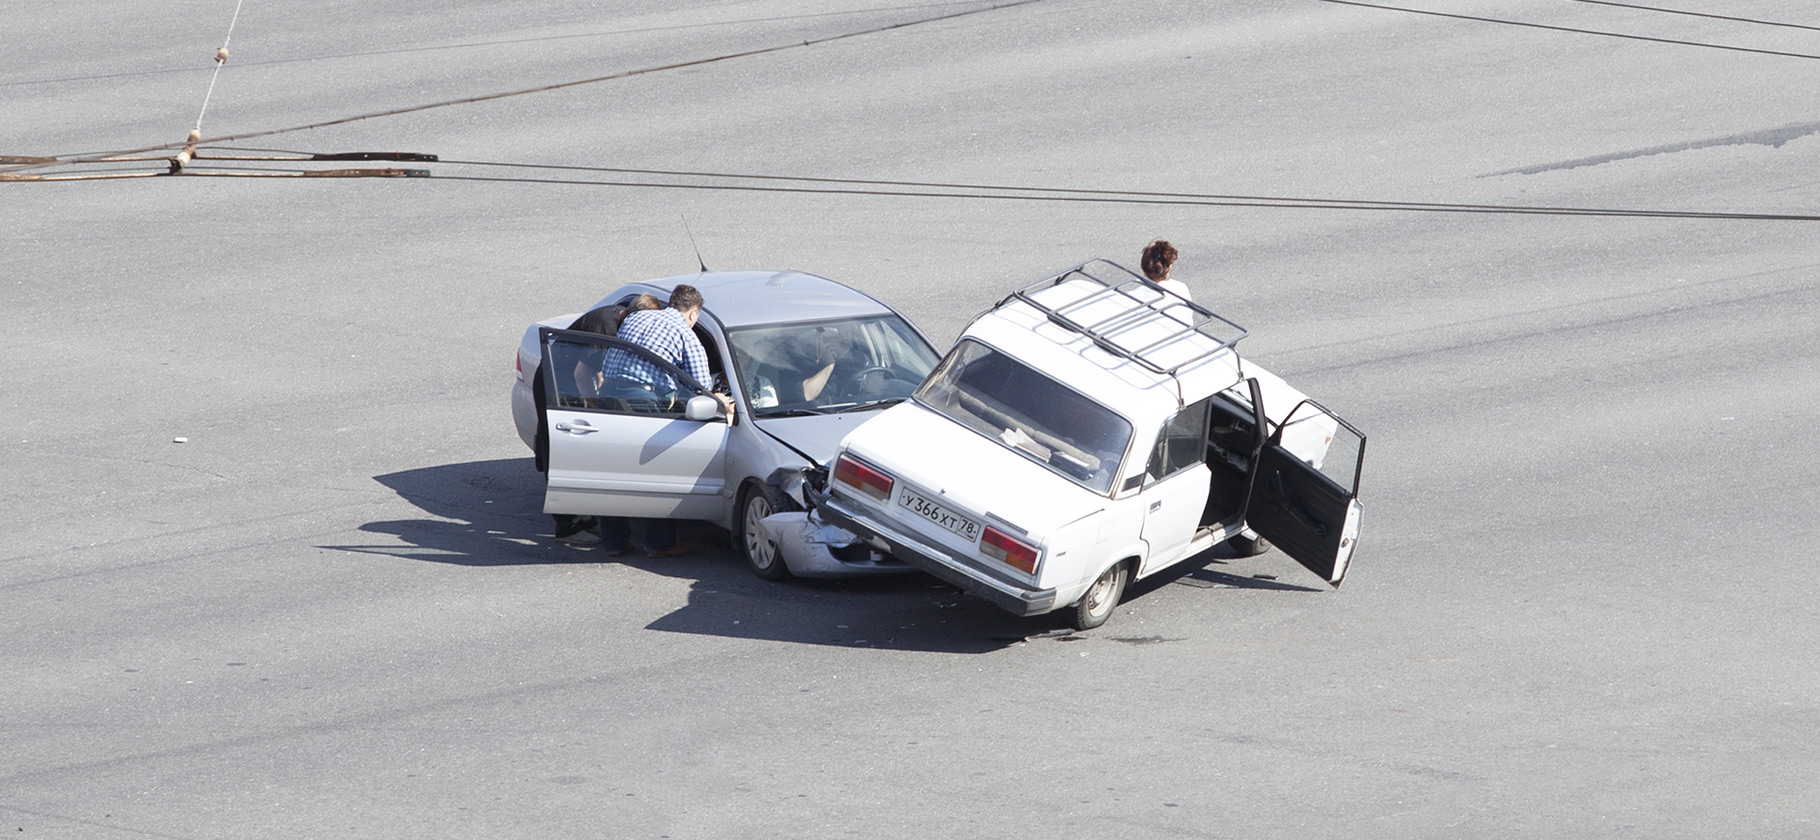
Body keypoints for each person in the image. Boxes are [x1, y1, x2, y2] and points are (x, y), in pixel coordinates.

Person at [595, 284, 727, 558]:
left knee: (611, 471)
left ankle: (614, 543)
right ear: (693, 314)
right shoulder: (684, 332)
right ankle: (659, 543)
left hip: (608, 395)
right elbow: (700, 385)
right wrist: (721, 402)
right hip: (642, 400)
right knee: (659, 471)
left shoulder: (637, 317)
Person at [549, 294, 663, 546]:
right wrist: (597, 409)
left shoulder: (621, 322)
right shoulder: (606, 327)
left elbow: (600, 368)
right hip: (558, 384)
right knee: (569, 451)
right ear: (633, 317)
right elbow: (582, 374)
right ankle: (568, 525)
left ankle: (590, 518)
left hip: (577, 381)